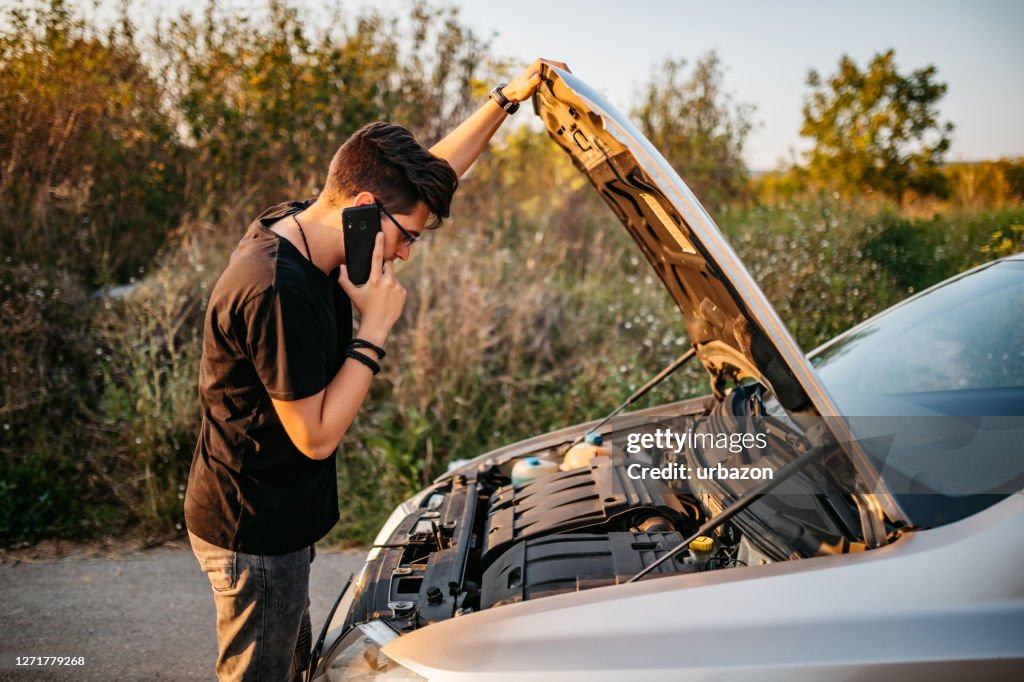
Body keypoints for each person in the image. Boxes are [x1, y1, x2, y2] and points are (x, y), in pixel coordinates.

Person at [183, 59, 567, 681]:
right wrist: (375, 328)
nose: (408, 252)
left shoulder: (314, 225)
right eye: (407, 235)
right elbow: (315, 436)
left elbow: (430, 176)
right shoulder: (277, 290)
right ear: (363, 208)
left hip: (278, 514)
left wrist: (504, 101)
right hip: (255, 529)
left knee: (290, 666)